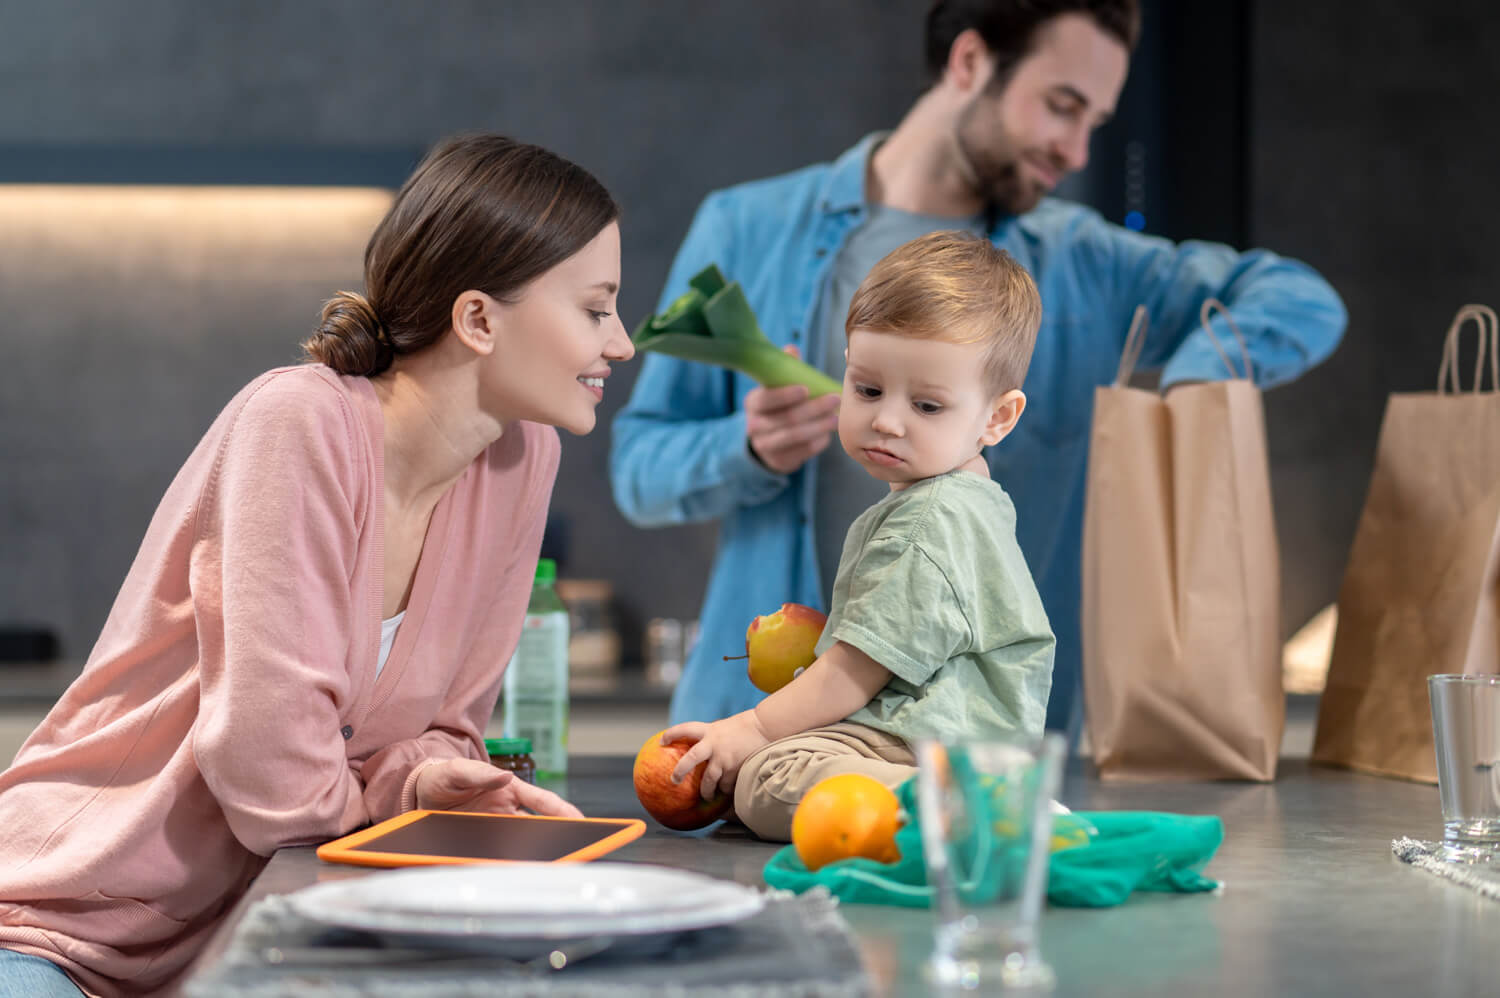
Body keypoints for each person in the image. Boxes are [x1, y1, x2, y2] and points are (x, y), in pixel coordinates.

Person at [0, 133, 635, 997]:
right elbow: (268, 773)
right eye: (596, 310)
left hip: (238, 937)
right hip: (58, 924)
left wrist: (429, 779)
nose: (623, 343)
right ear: (480, 319)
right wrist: (388, 799)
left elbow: (449, 725)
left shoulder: (522, 460)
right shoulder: (299, 423)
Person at [610, 0, 1347, 742]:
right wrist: (745, 449)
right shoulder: (746, 227)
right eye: (1063, 106)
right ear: (970, 63)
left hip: (970, 764)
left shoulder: (1090, 262)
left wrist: (1197, 377)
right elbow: (637, 468)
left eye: (1095, 120)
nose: (1078, 150)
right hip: (748, 725)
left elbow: (1299, 298)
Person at [661, 231, 1052, 840]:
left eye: (927, 406)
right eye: (867, 390)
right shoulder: (965, 502)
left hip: (929, 742)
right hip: (919, 736)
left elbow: (855, 669)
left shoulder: (928, 520)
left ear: (997, 418)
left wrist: (756, 729)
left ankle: (975, 805)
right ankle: (954, 805)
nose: (886, 420)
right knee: (764, 777)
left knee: (768, 776)